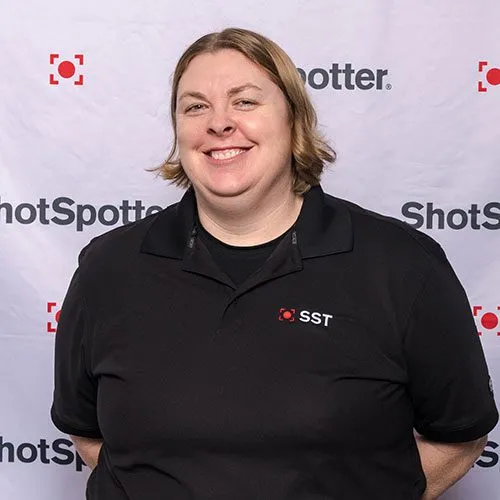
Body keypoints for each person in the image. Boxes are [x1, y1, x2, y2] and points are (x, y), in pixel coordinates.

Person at [51, 27, 498, 500]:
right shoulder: (108, 268)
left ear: (294, 122)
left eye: (245, 102)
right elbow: (88, 432)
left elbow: (458, 437)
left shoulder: (403, 265)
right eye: (195, 106)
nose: (219, 123)